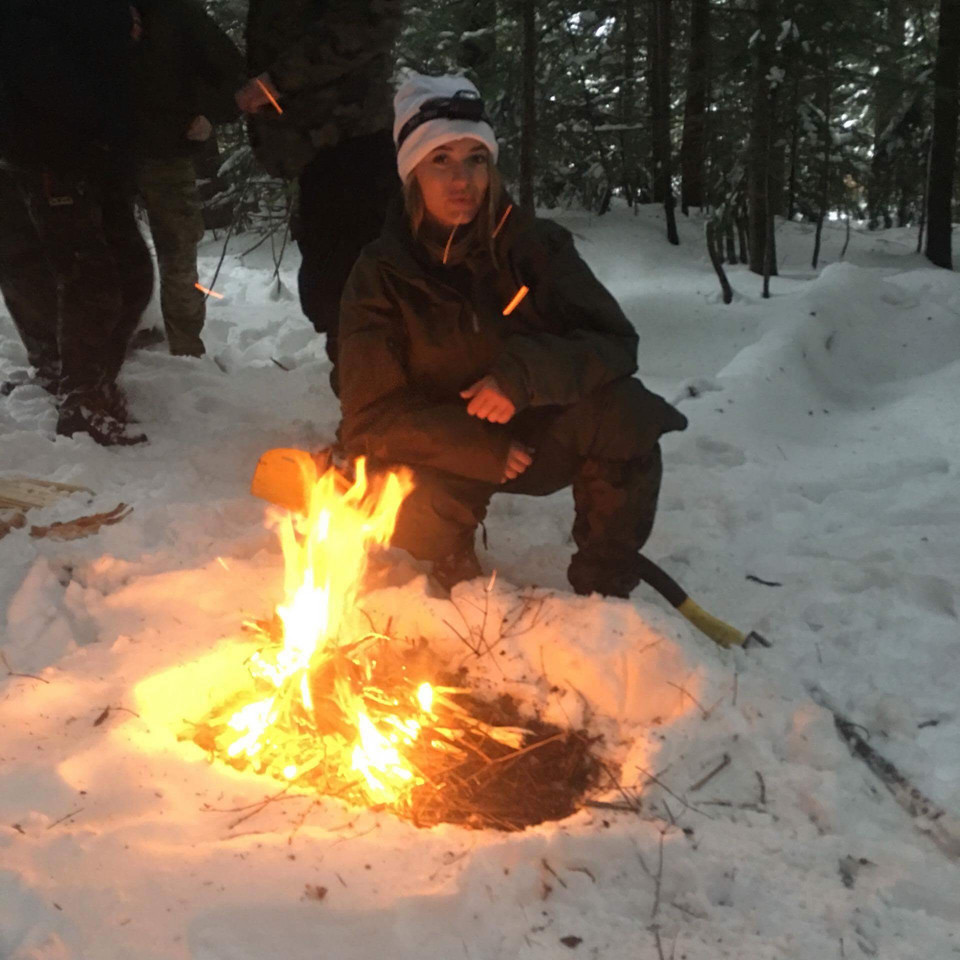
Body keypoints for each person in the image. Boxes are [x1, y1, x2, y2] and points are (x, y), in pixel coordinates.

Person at [337, 74, 689, 596]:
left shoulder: (535, 245)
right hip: (443, 452)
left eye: (476, 158)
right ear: (411, 172)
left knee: (627, 412)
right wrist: (478, 448)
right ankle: (448, 558)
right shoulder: (381, 273)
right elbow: (369, 415)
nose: (462, 179)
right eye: (441, 159)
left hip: (537, 435)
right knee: (392, 489)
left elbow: (614, 343)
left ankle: (604, 583)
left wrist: (523, 376)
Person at [0, 0, 153, 445]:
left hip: (90, 155)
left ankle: (81, 379)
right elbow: (42, 71)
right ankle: (81, 397)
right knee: (93, 278)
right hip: (57, 153)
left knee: (126, 273)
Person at [235, 0, 404, 392]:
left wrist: (277, 79)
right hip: (314, 152)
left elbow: (370, 21)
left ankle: (380, 413)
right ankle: (366, 406)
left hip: (352, 142)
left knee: (361, 287)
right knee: (331, 288)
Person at [130, 0, 245, 358]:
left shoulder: (176, 14)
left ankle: (186, 352)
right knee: (104, 257)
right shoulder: (82, 14)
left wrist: (211, 112)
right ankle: (109, 350)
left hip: (167, 150)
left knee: (179, 253)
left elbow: (232, 74)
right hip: (100, 157)